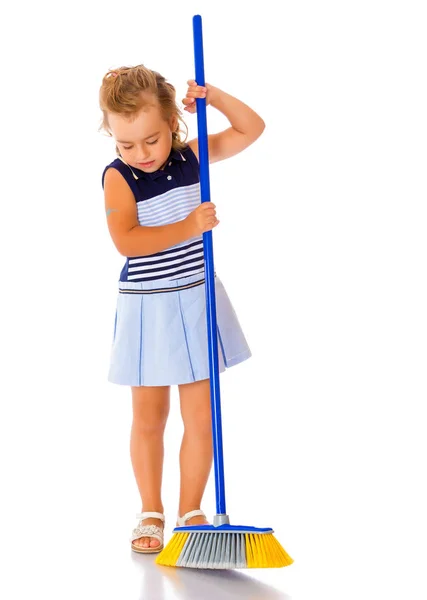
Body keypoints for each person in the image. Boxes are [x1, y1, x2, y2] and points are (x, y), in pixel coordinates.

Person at [99, 65, 265, 553]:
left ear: (173, 122)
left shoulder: (195, 159)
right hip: (148, 307)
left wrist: (213, 97)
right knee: (150, 415)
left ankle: (191, 509)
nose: (140, 154)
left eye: (150, 140)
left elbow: (251, 129)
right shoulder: (118, 178)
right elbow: (126, 241)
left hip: (195, 297)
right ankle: (151, 510)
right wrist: (191, 225)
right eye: (125, 144)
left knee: (202, 415)